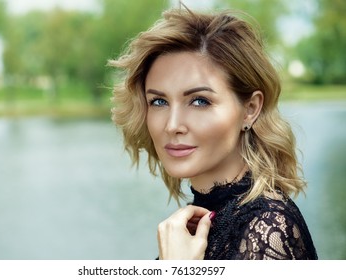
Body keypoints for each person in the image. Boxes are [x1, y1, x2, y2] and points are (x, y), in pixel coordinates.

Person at [108, 6, 318, 260]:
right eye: (159, 102)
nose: (172, 125)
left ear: (250, 109)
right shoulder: (203, 219)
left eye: (199, 101)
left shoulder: (267, 229)